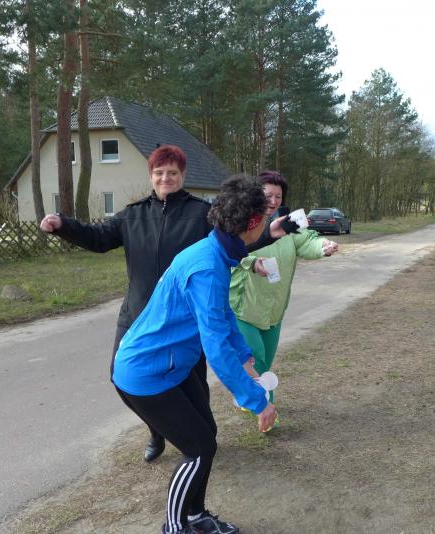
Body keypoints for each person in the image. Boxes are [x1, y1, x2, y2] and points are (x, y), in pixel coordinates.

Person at [39, 145, 288, 463]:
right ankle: (159, 430)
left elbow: (237, 235)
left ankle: (198, 438)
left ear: (183, 175)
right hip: (139, 312)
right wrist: (64, 226)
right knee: (126, 377)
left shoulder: (201, 213)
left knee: (192, 383)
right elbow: (98, 237)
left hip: (189, 317)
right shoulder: (133, 214)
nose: (165, 178)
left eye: (172, 172)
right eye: (159, 173)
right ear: (151, 176)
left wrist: (267, 235)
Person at [113, 175, 277, 534]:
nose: (266, 225)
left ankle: (194, 516)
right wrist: (256, 401)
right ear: (252, 222)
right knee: (199, 448)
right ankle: (175, 527)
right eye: (265, 218)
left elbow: (222, 314)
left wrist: (244, 354)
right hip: (145, 373)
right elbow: (215, 348)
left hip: (171, 366)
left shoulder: (216, 252)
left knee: (205, 436)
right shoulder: (207, 265)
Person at [229, 171, 338, 408]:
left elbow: (307, 241)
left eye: (278, 196)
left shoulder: (289, 224)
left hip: (274, 308)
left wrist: (323, 246)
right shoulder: (241, 221)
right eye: (267, 195)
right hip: (244, 306)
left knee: (266, 360)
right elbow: (228, 251)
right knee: (254, 357)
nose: (273, 200)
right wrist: (251, 263)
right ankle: (261, 405)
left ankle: (249, 396)